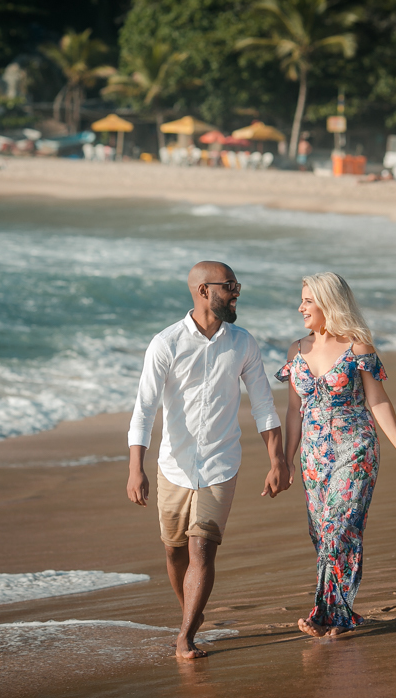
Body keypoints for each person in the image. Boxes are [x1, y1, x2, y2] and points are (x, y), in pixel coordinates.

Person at [127, 261, 290, 659]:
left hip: (221, 463)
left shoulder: (243, 343)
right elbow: (144, 409)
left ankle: (185, 636)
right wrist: (137, 468)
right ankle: (191, 613)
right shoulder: (165, 343)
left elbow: (264, 405)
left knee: (202, 547)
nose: (237, 293)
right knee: (174, 550)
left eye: (237, 285)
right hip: (174, 466)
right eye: (230, 285)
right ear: (203, 290)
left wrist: (278, 460)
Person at [277, 272, 396, 638]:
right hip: (313, 458)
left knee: (338, 529)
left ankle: (323, 615)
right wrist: (283, 459)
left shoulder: (357, 347)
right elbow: (293, 410)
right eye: (302, 299)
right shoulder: (296, 350)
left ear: (329, 304)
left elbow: (377, 399)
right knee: (321, 535)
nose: (301, 307)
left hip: (355, 448)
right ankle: (340, 615)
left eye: (308, 301)